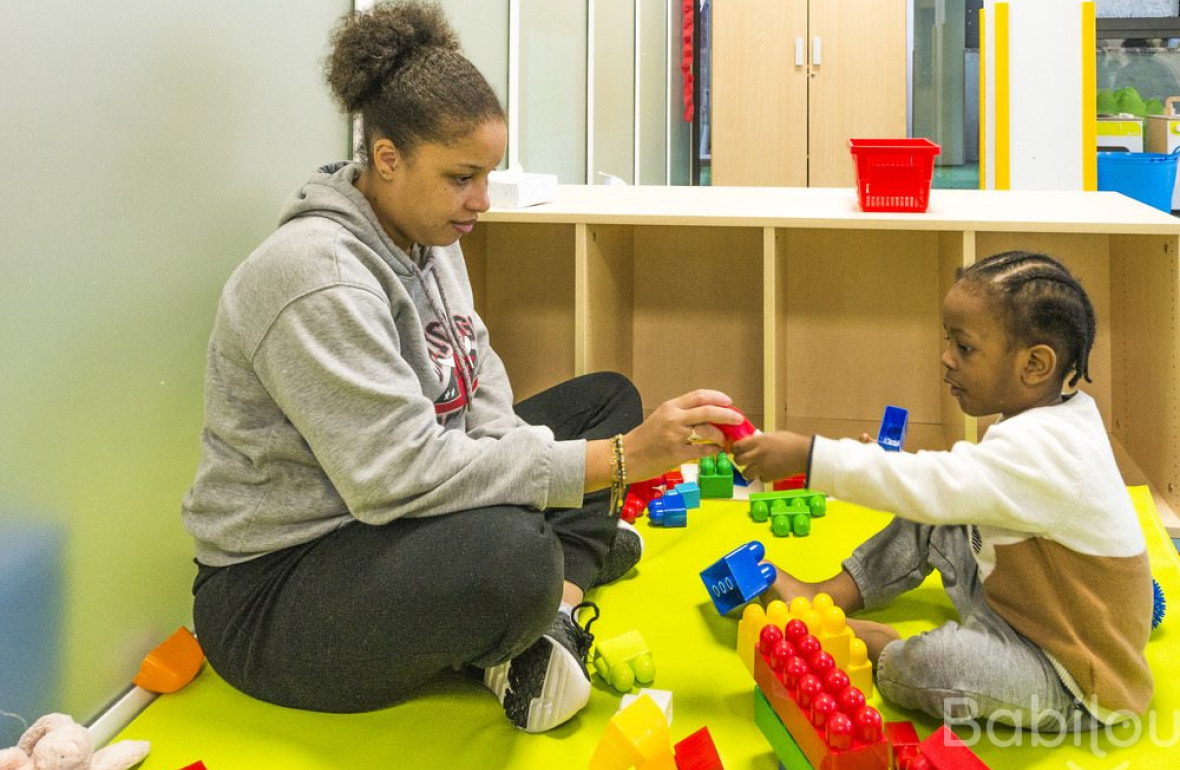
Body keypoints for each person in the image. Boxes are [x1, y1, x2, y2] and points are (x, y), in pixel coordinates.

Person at [180, 0, 741, 734]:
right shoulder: (315, 278)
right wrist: (617, 464)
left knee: (608, 396)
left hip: (391, 517)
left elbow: (478, 388)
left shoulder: (431, 237)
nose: (480, 202)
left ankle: (556, 607)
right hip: (279, 590)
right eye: (461, 177)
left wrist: (558, 466)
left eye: (486, 176)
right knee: (515, 554)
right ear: (387, 158)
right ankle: (547, 582)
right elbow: (395, 479)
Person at [732, 251, 1154, 732]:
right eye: (947, 340)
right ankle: (834, 592)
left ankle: (879, 645)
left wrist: (808, 457)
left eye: (966, 347)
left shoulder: (1048, 448)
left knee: (939, 665)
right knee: (937, 507)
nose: (946, 358)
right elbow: (949, 485)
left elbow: (937, 484)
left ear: (1035, 365)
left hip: (1068, 672)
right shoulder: (1053, 413)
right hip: (1016, 597)